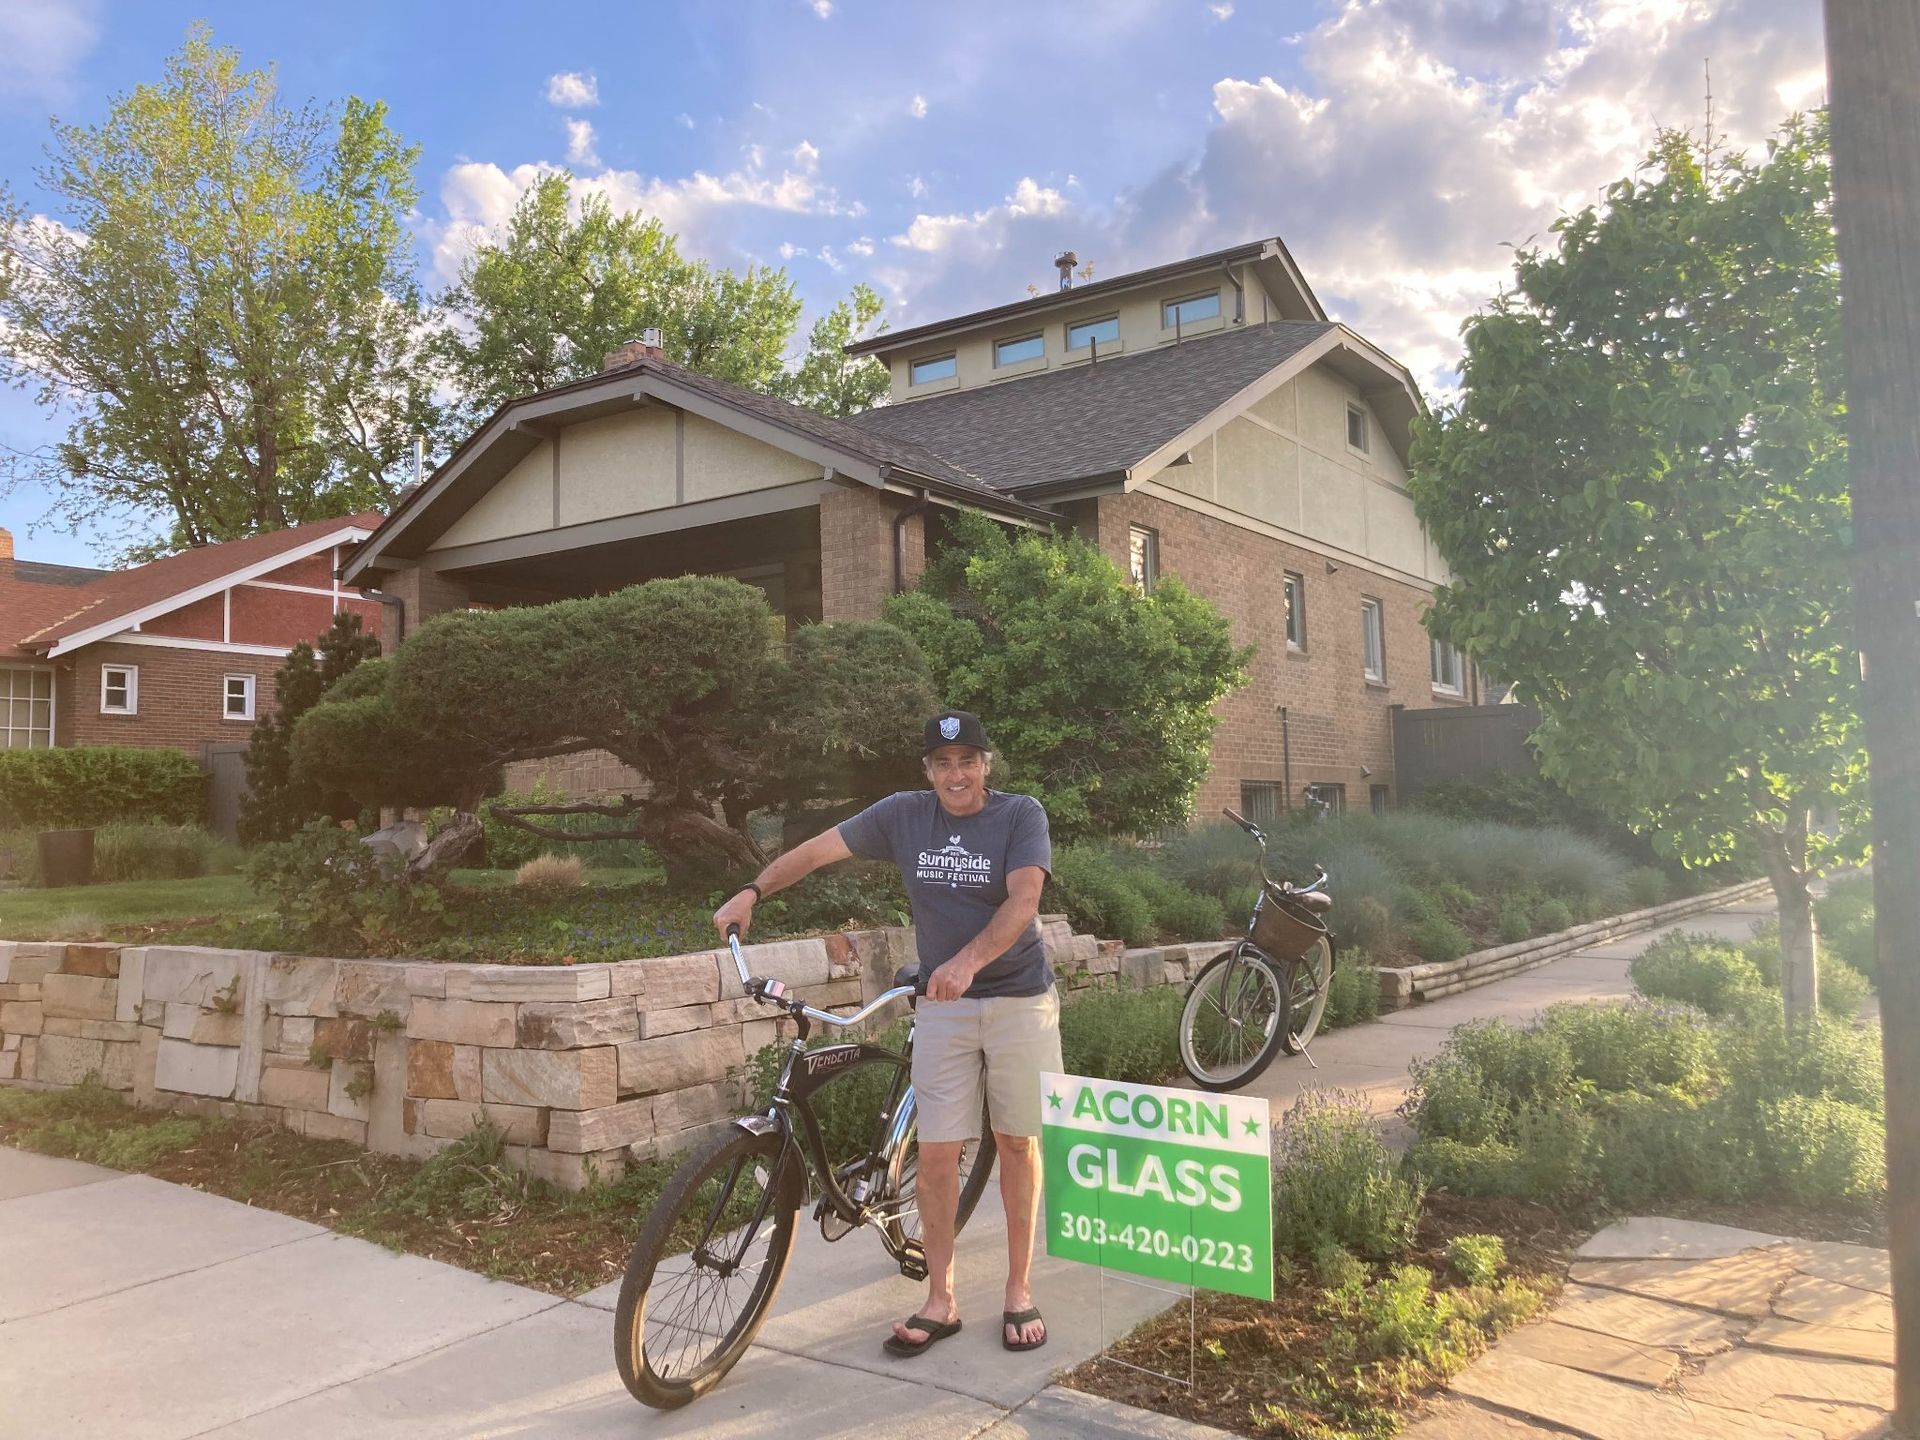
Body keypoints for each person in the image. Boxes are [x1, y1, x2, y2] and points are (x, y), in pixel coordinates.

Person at [712, 709, 1059, 1357]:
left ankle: (1017, 1289)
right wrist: (752, 891)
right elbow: (817, 851)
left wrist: (967, 961)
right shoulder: (904, 815)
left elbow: (1023, 902)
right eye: (943, 763)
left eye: (968, 761)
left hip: (1016, 997)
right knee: (935, 1153)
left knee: (1016, 1140)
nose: (957, 774)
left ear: (987, 765)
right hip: (942, 1003)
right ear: (928, 771)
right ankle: (940, 1298)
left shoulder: (1020, 816)